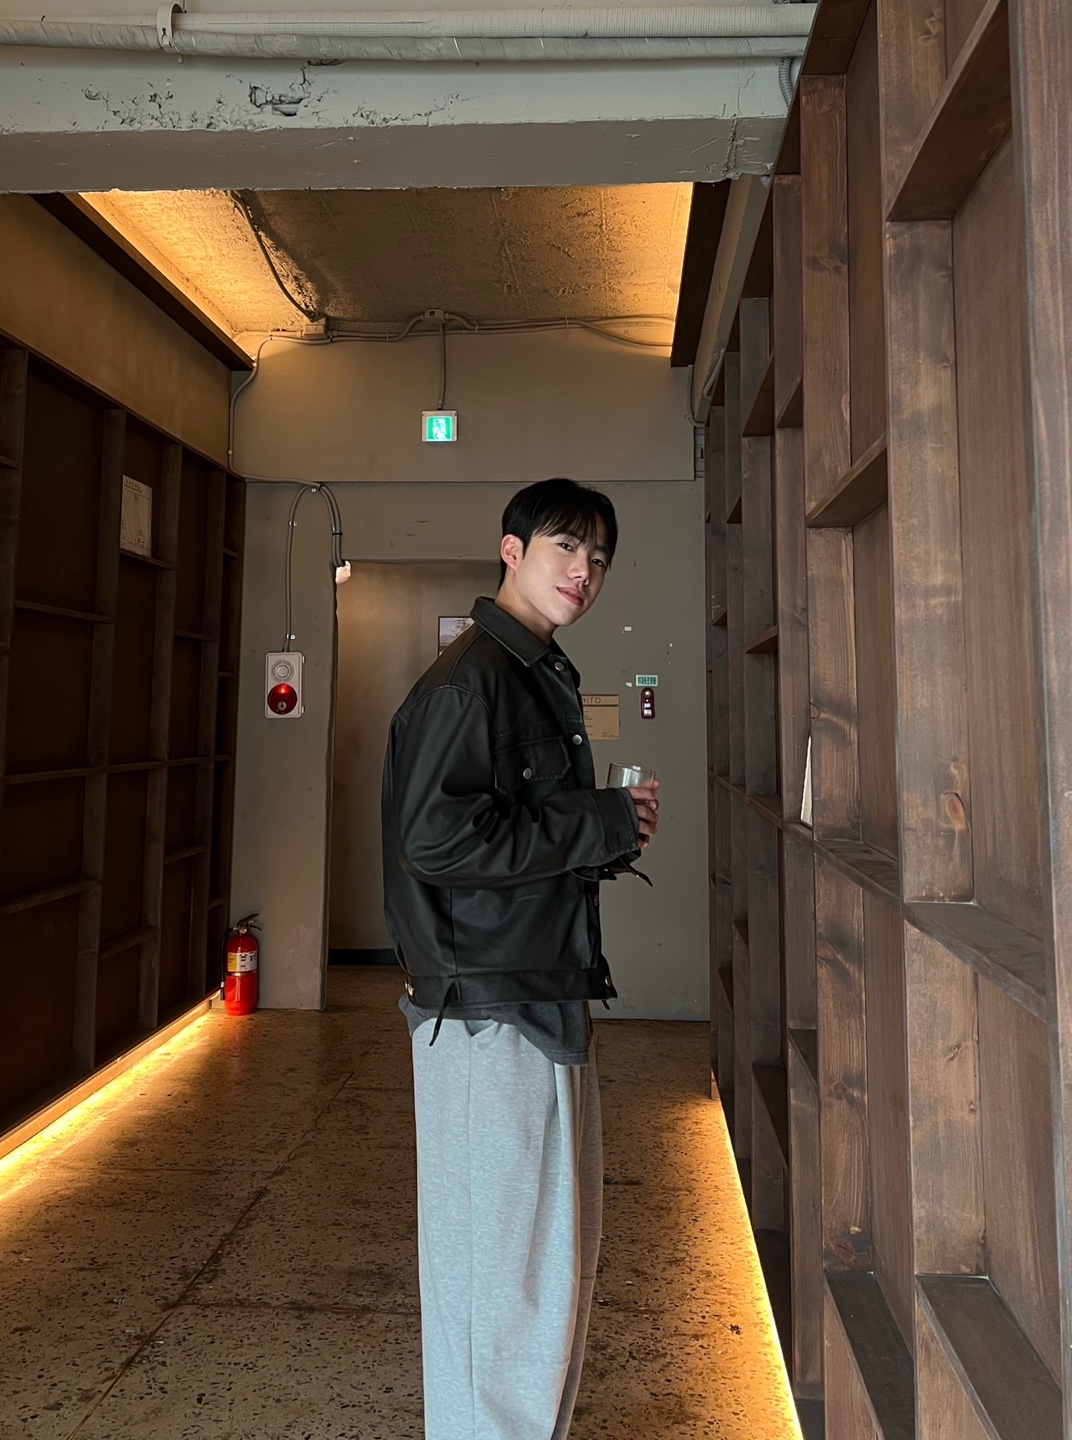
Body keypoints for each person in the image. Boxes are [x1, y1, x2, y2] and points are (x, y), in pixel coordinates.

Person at [381, 477, 659, 1440]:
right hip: (485, 1010)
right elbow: (437, 840)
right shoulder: (473, 681)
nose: (584, 571)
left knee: (542, 1269)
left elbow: (510, 833)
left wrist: (608, 832)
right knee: (498, 1277)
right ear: (512, 550)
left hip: (532, 993)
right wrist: (596, 822)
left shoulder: (535, 671)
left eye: (598, 557)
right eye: (565, 547)